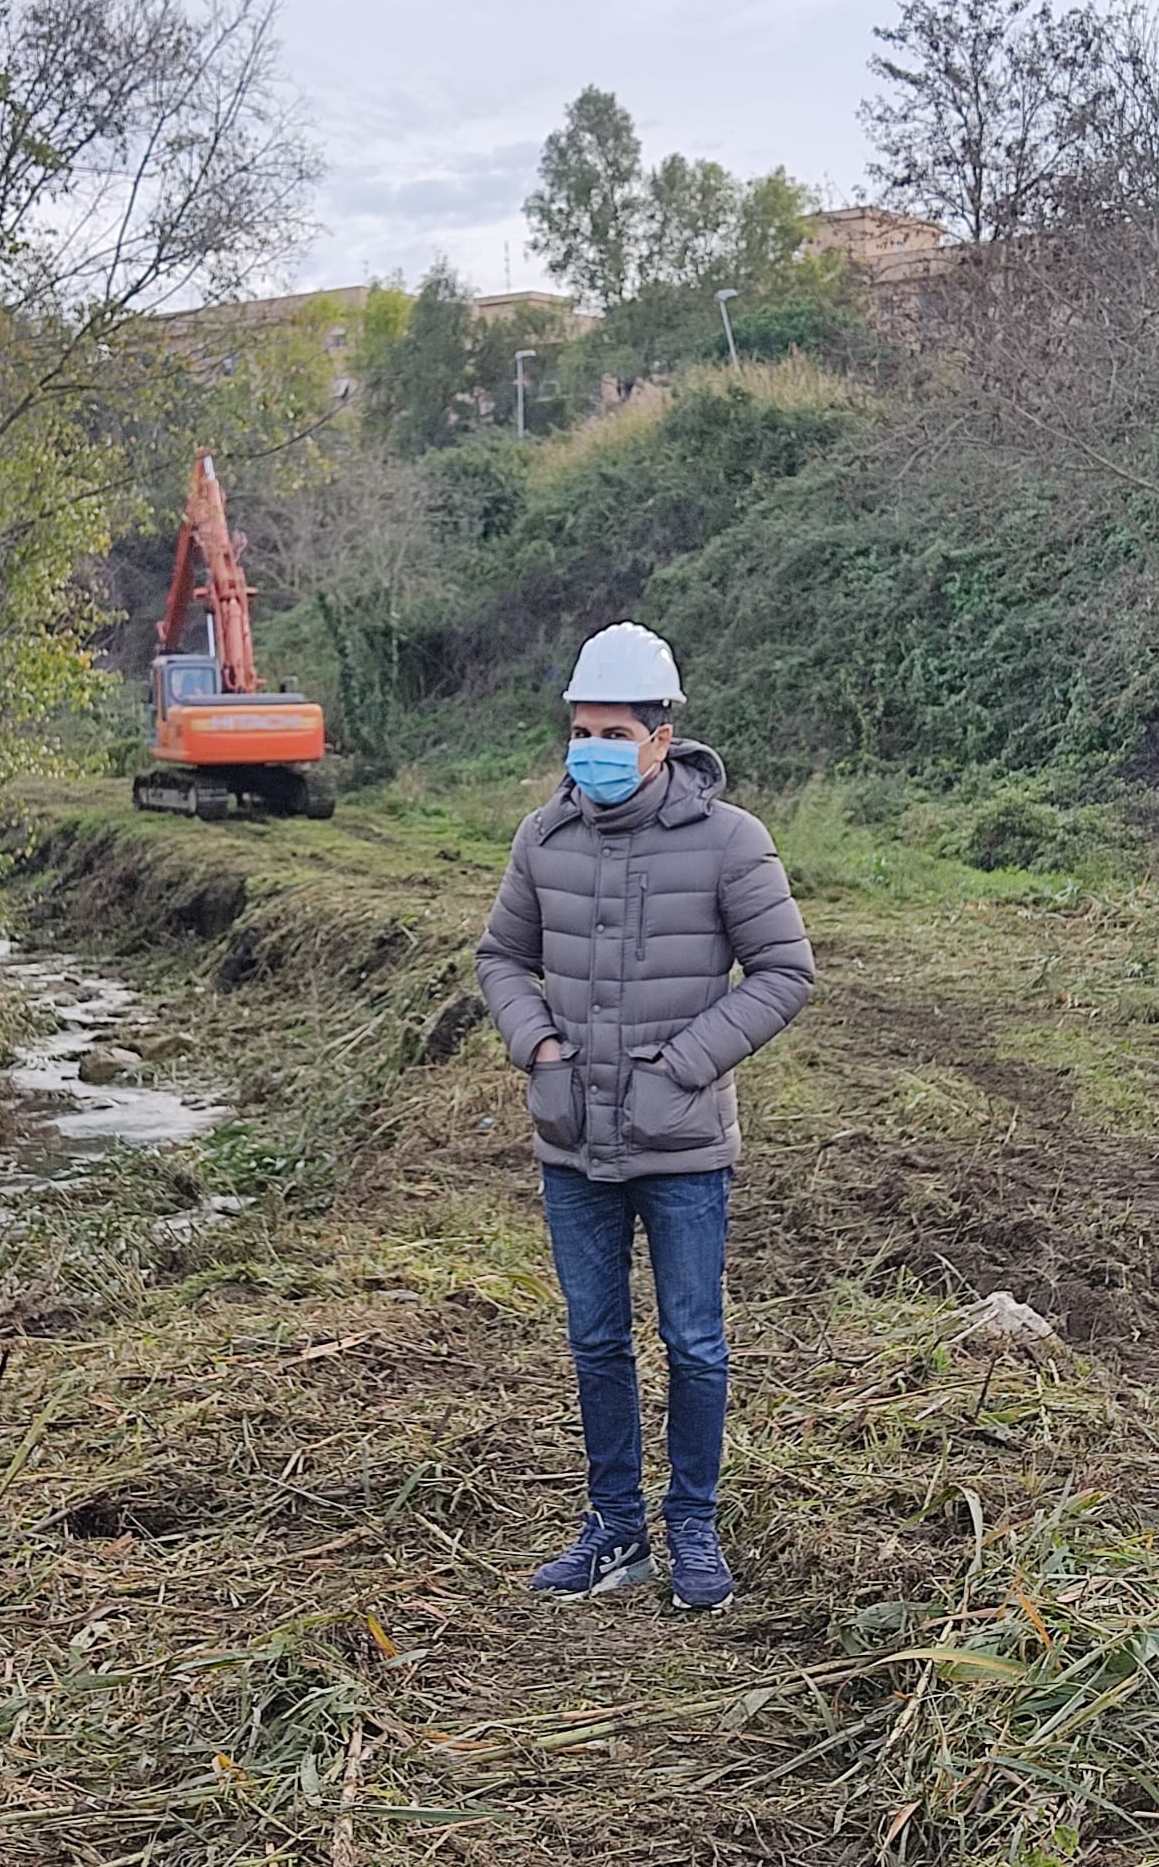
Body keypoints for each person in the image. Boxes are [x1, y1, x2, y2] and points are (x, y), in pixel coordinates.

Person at [476, 622, 814, 1610]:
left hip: (683, 1144)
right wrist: (540, 1048)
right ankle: (615, 1530)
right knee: (595, 1341)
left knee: (696, 1342)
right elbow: (501, 956)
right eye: (582, 730)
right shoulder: (545, 836)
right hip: (571, 1137)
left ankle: (693, 1529)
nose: (595, 749)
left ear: (663, 738)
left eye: (615, 732)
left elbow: (785, 969)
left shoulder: (730, 840)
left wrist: (687, 1065)